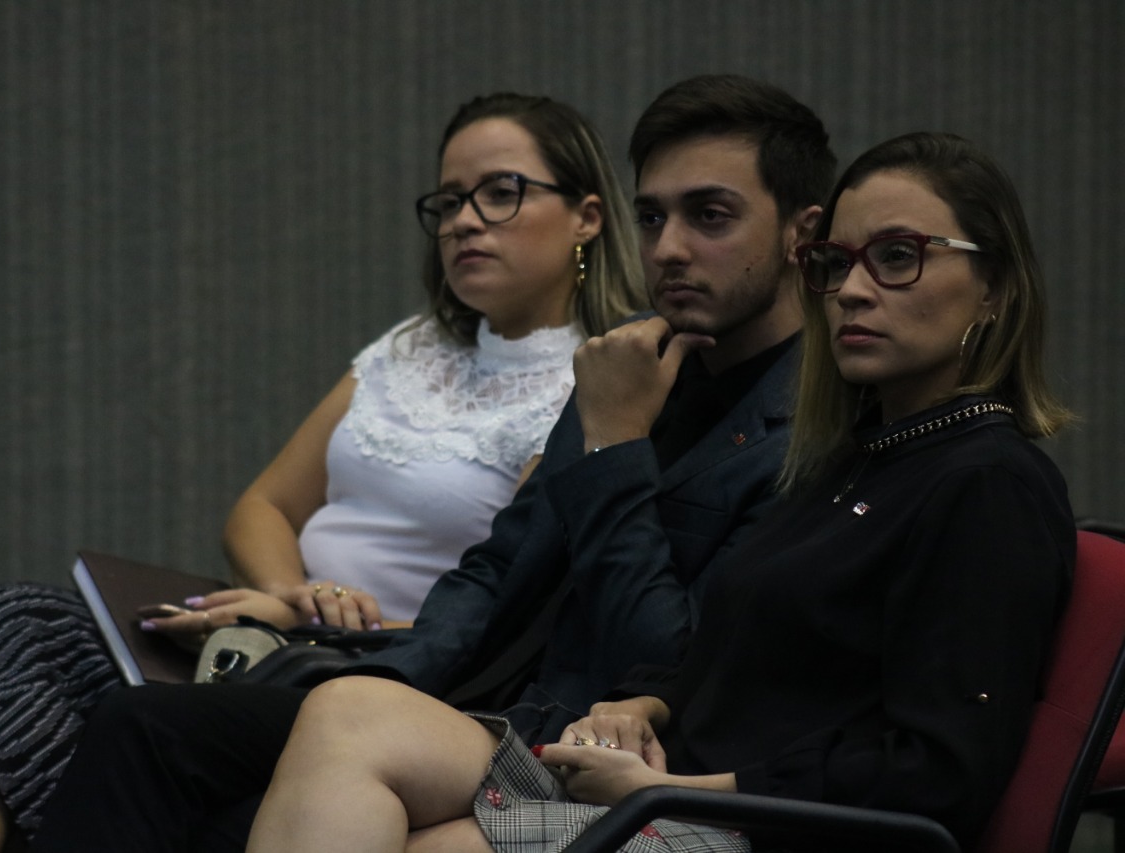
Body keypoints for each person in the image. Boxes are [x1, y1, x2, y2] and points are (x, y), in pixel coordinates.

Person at [28, 74, 837, 852]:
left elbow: (666, 656)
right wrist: (368, 683)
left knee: (210, 790)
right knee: (142, 723)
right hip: (465, 702)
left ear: (801, 234)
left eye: (710, 216)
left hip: (591, 746)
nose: (669, 247)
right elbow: (495, 568)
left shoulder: (810, 427)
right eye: (653, 217)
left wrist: (615, 444)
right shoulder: (632, 358)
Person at [246, 131, 1077, 853]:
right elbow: (738, 661)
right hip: (667, 782)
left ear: (996, 284)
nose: (853, 290)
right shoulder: (852, 457)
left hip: (755, 824)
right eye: (837, 263)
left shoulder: (988, 483)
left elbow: (938, 773)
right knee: (347, 709)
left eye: (898, 256)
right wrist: (645, 705)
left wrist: (692, 789)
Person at [0, 91, 646, 853]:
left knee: (134, 728)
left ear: (586, 215)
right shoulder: (409, 348)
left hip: (399, 672)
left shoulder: (594, 385)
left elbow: (504, 612)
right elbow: (263, 506)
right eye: (448, 201)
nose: (465, 220)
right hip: (282, 638)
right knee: (10, 623)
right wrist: (288, 594)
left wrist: (324, 625)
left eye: (501, 193)